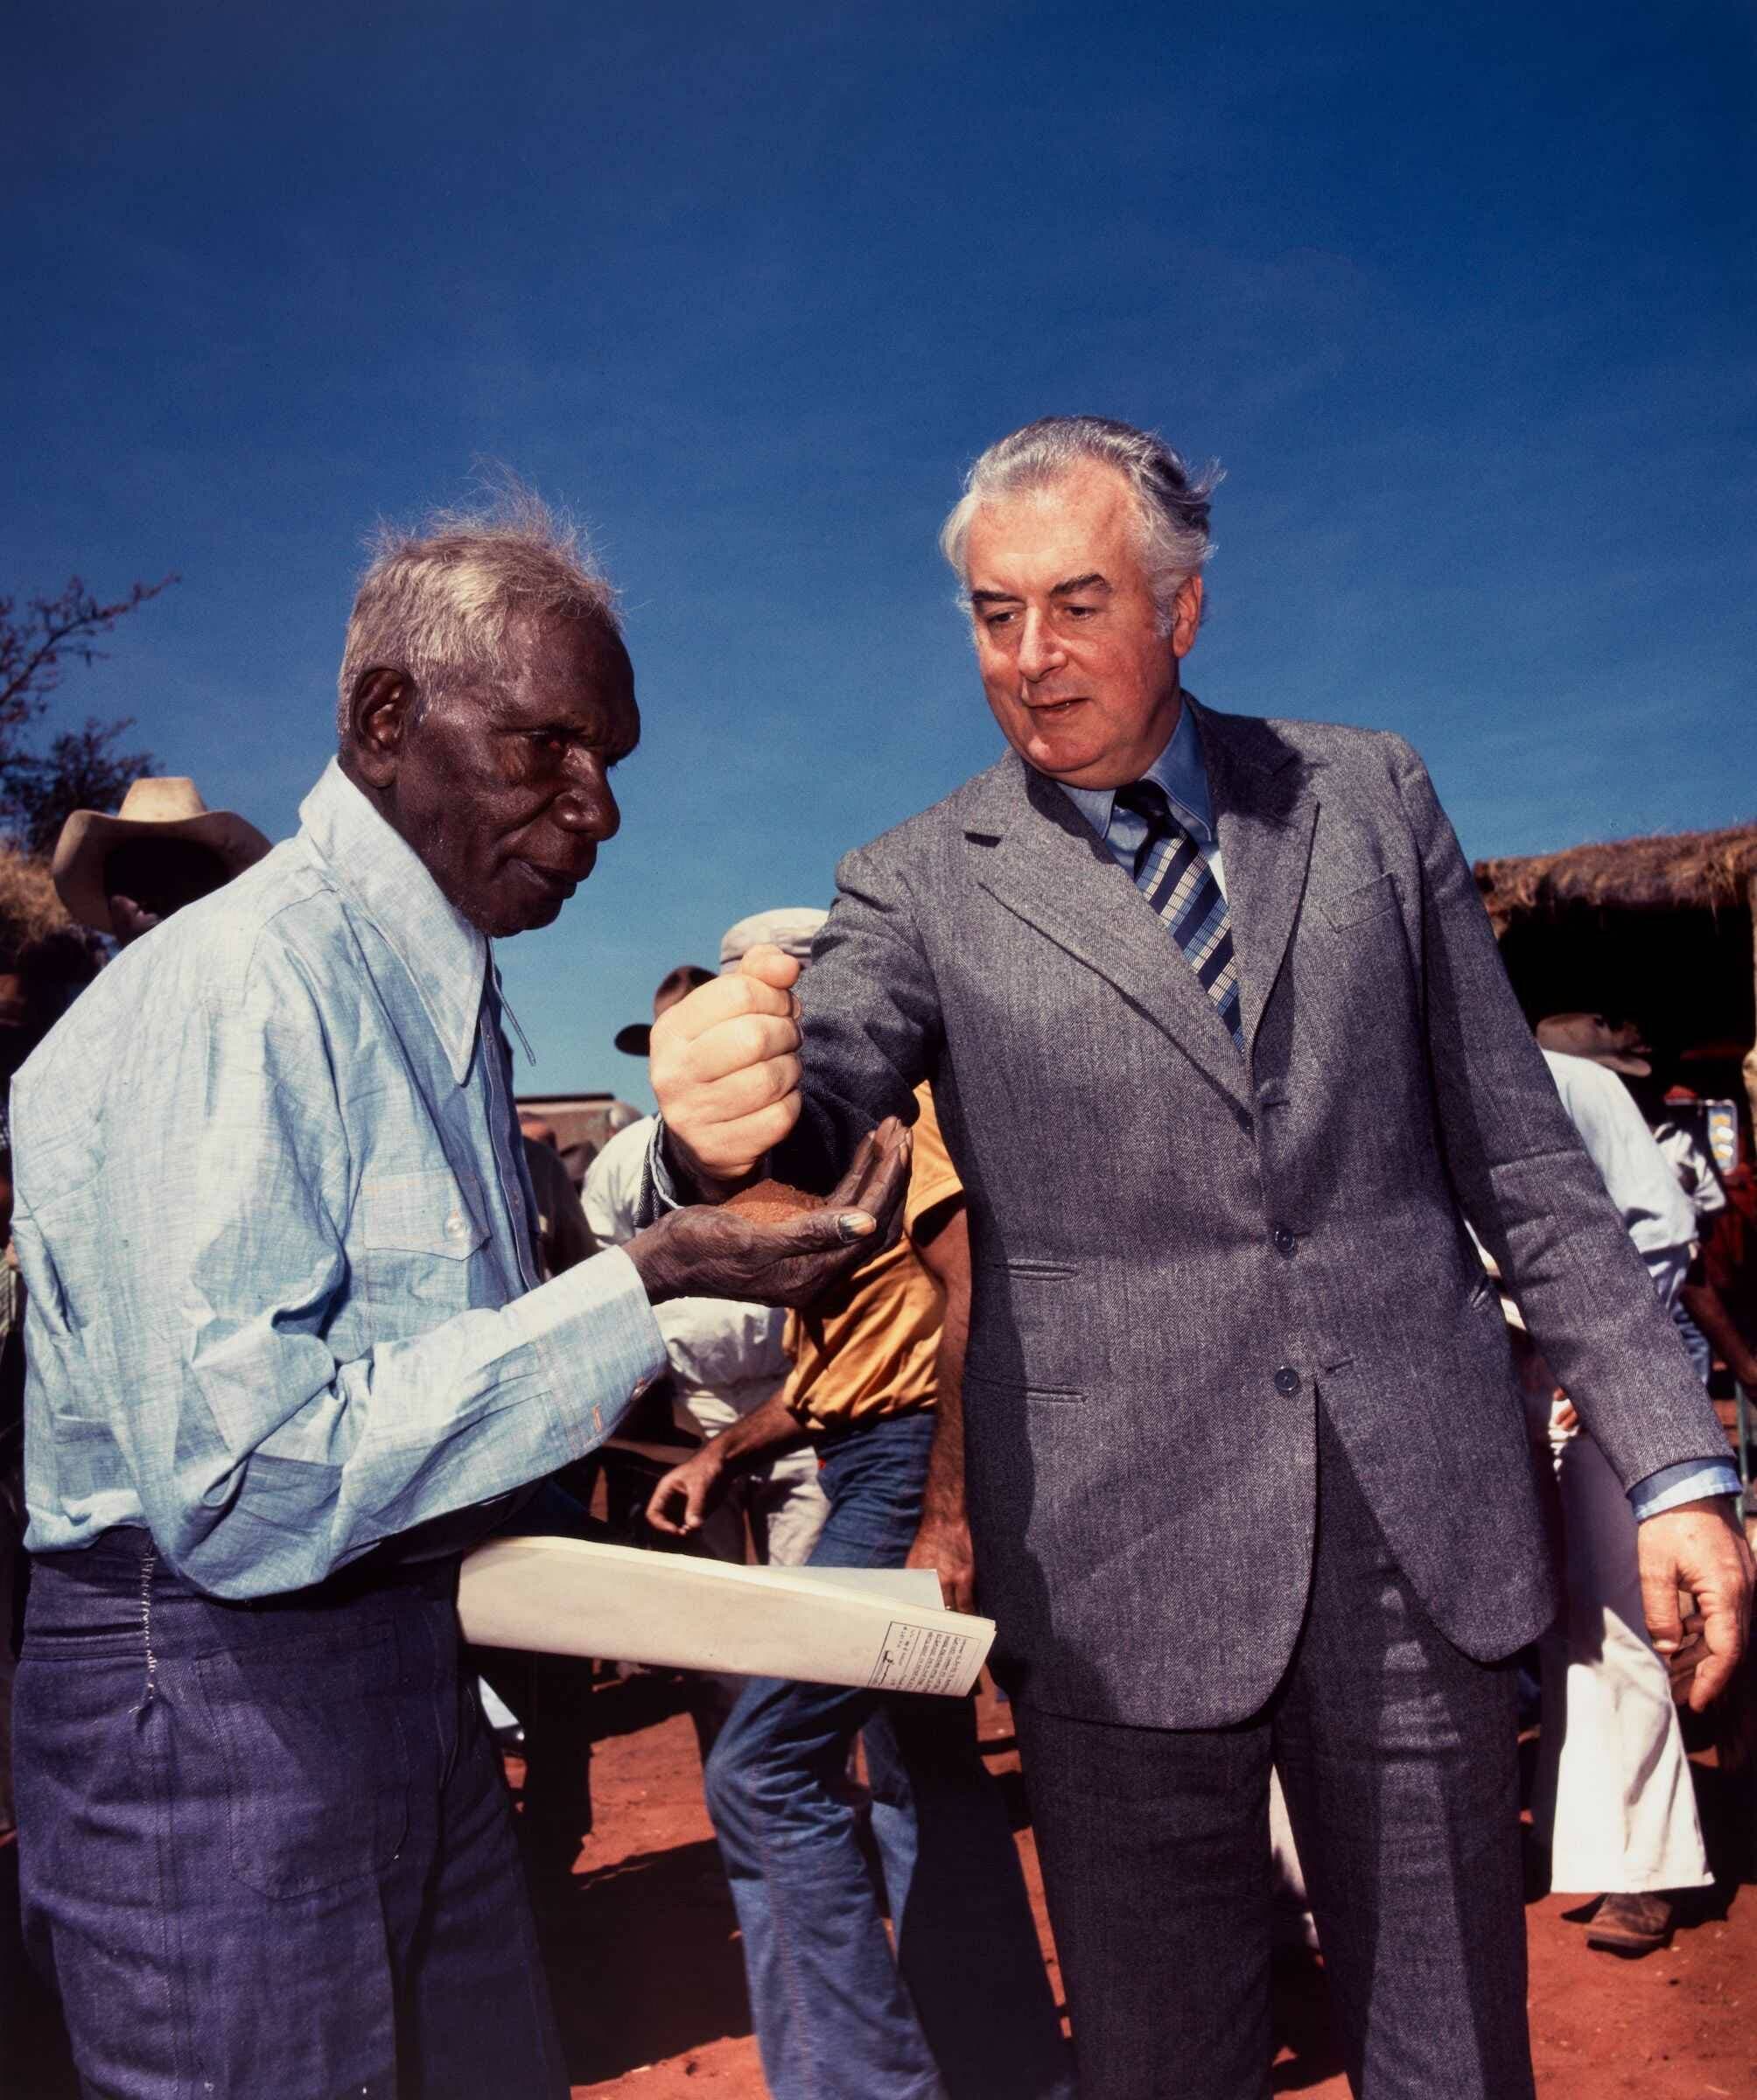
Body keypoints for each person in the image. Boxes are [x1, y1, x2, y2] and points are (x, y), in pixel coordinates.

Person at [647, 416, 1752, 2100]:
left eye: (1074, 604)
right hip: (1114, 1564)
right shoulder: (916, 883)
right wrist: (723, 1123)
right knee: (1164, 2063)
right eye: (992, 614)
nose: (1028, 656)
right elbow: (823, 1106)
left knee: (1448, 2057)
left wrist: (1671, 1467)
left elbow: (1524, 1164)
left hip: (1414, 1532)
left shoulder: (1366, 797)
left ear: (1179, 609)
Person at [8, 494, 907, 2100]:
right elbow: (245, 1483)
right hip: (213, 1705)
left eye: (609, 759)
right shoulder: (245, 986)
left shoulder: (430, 992)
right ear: (385, 722)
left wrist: (685, 1207)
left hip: (402, 1664)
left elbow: (459, 1341)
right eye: (548, 747)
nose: (598, 807)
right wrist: (654, 1277)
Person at [645, 1074, 1071, 2100]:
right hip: (871, 1462)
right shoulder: (819, 1155)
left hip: (909, 1469)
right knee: (922, 1773)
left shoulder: (896, 1117)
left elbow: (973, 1291)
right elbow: (838, 1381)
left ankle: (867, 2087)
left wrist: (947, 1514)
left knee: (763, 1770)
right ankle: (1006, 2075)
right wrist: (722, 1453)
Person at [1523, 1040, 1712, 1955]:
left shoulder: (1577, 1083)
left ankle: (1647, 1864)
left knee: (1615, 1618)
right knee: (1532, 1619)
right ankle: (1574, 1832)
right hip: (1481, 1375)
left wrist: (1594, 1349)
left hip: (1588, 1374)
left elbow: (1663, 1225)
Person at [589, 932, 828, 1578]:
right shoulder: (620, 1159)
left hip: (791, 1401)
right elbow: (604, 1277)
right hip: (690, 1407)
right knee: (709, 1582)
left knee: (806, 1585)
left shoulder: (789, 1137)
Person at [51, 774, 271, 946]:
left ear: (213, 885)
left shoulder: (257, 971)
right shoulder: (103, 991)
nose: (146, 901)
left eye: (167, 875)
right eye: (125, 879)